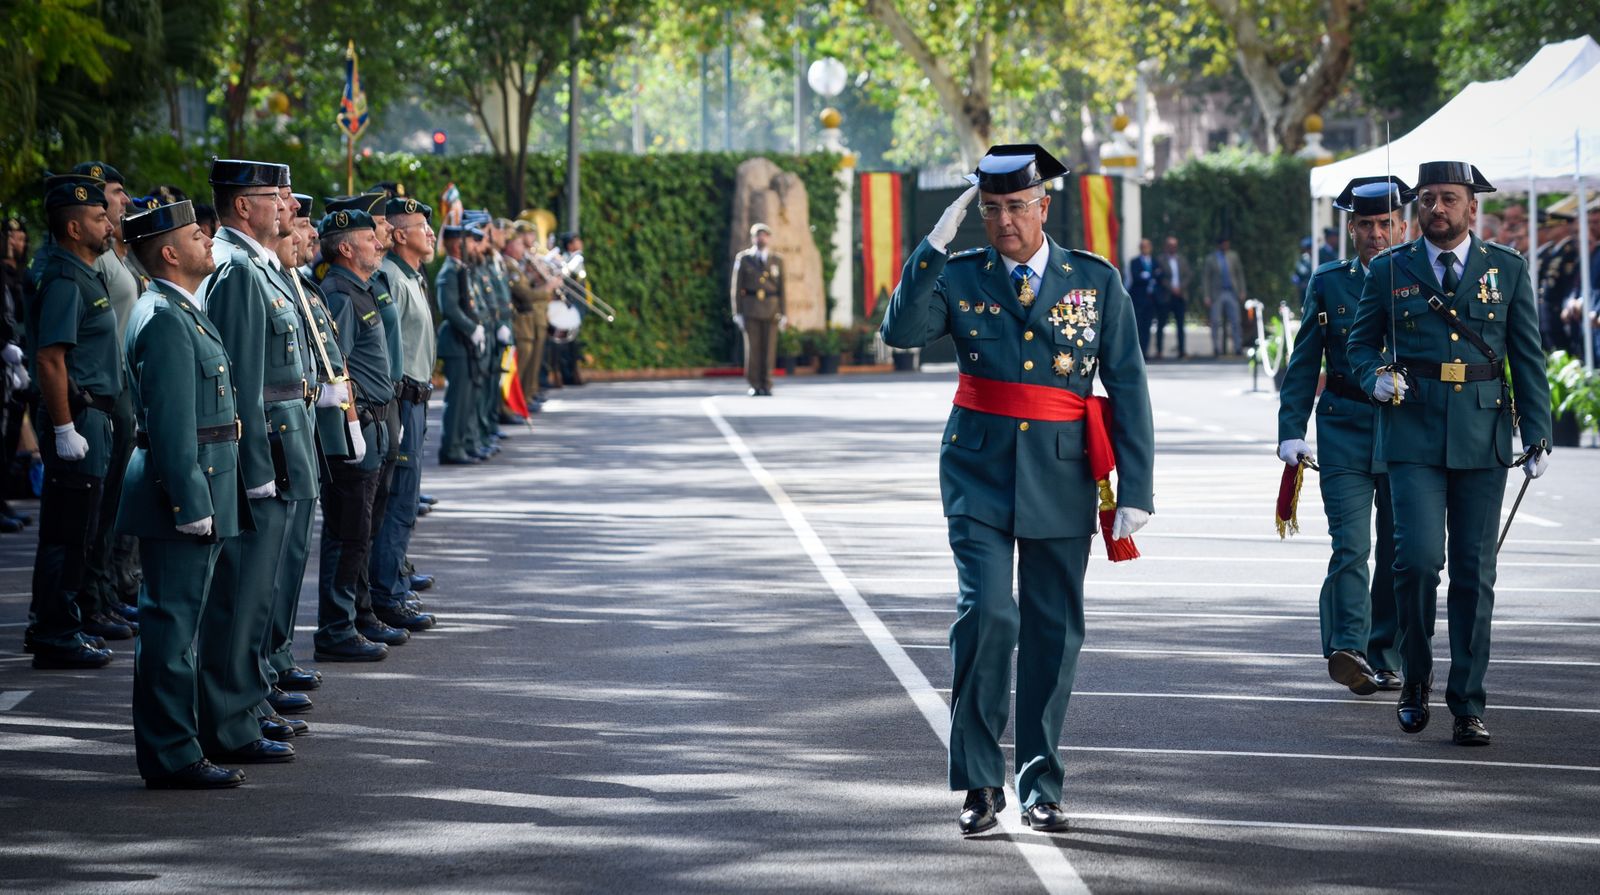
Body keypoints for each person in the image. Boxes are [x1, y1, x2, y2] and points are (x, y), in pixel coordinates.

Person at [881, 144, 1154, 835]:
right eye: (993, 209)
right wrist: (931, 248)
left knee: (1051, 632)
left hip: (1064, 473)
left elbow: (1127, 384)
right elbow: (901, 331)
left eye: (1017, 207)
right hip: (977, 468)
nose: (1005, 221)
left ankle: (1040, 783)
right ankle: (978, 779)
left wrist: (1137, 488)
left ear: (1043, 205)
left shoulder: (1094, 281)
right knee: (988, 615)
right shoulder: (962, 273)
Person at [1348, 161, 1552, 747]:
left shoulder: (1506, 270)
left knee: (1474, 574)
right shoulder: (1391, 268)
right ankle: (1415, 678)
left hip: (1482, 437)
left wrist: (1537, 433)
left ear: (1472, 208)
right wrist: (1373, 378)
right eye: (1429, 199)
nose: (1437, 208)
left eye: (1450, 199)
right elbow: (1360, 344)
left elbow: (1528, 358)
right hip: (1411, 434)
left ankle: (1467, 701)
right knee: (1413, 562)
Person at [118, 199, 251, 789]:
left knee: (182, 626)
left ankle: (182, 740)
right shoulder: (165, 318)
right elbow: (172, 427)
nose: (209, 240)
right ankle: (172, 754)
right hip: (184, 492)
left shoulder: (181, 309)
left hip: (204, 484)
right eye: (198, 235)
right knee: (170, 630)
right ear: (170, 253)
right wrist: (191, 501)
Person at [1278, 176, 1413, 697]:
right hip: (1343, 427)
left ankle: (1385, 653)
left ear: (1402, 226)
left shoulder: (1421, 277)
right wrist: (1292, 430)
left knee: (1400, 549)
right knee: (1351, 545)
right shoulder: (1329, 281)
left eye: (1385, 224)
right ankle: (1347, 648)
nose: (1376, 233)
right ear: (1350, 228)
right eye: (1365, 225)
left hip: (1405, 431)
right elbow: (1304, 358)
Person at [196, 158, 307, 765]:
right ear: (243, 205)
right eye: (275, 196)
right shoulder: (238, 271)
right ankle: (228, 722)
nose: (286, 205)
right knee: (240, 598)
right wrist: (255, 465)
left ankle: (246, 701)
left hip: (280, 445)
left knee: (258, 593)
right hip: (260, 450)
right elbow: (240, 381)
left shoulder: (256, 268)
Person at [24, 180, 120, 669]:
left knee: (81, 529)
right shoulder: (64, 278)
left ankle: (67, 621)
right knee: (65, 530)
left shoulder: (84, 273)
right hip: (77, 415)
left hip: (93, 416)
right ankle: (54, 629)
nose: (108, 223)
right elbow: (50, 359)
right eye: (98, 217)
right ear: (71, 226)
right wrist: (63, 428)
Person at [315, 208, 403, 661]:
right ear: (346, 248)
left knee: (365, 528)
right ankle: (335, 627)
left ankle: (360, 614)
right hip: (360, 424)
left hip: (378, 420)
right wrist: (350, 428)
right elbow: (336, 367)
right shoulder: (340, 293)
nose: (379, 243)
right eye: (370, 238)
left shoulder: (360, 288)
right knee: (348, 531)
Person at [370, 196, 439, 632]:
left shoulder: (411, 276)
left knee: (406, 498)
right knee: (396, 500)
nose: (430, 233)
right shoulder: (390, 277)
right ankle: (386, 594)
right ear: (398, 235)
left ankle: (393, 579)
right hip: (401, 399)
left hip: (418, 398)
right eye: (420, 226)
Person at [435, 224, 484, 465]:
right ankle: (452, 447)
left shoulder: (461, 270)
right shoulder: (449, 273)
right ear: (457, 245)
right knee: (457, 400)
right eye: (470, 242)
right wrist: (471, 328)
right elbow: (450, 309)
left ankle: (462, 443)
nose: (475, 246)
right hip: (455, 342)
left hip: (464, 343)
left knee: (467, 398)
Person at [0, 215, 33, 532]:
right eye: (10, 237)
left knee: (9, 436)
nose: (16, 243)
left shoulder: (21, 275)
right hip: (6, 355)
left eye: (21, 237)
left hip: (19, 357)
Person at [730, 223, 786, 395]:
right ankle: (754, 384)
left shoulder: (777, 260)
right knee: (753, 350)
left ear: (768, 238)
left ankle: (767, 384)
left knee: (769, 350)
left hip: (771, 309)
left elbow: (783, 289)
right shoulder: (744, 259)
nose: (761, 238)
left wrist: (784, 313)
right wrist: (737, 312)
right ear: (753, 238)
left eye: (764, 235)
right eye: (758, 235)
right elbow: (736, 288)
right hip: (751, 309)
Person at [1202, 235, 1246, 356]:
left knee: (1236, 321)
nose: (1226, 246)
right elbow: (1206, 278)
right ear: (1219, 245)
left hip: (1231, 292)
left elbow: (1239, 274)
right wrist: (1206, 295)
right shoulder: (1211, 259)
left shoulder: (1233, 256)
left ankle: (1238, 347)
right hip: (1217, 293)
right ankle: (1216, 347)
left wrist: (1242, 290)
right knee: (1215, 321)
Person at [1123, 237, 1161, 359]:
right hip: (1139, 299)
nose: (1145, 249)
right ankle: (1136, 353)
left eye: (1147, 246)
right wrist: (1149, 277)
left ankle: (1145, 352)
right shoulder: (1135, 262)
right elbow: (1136, 277)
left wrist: (1149, 276)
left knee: (1147, 326)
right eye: (1143, 247)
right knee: (1138, 326)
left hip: (1151, 299)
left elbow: (1159, 275)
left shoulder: (1154, 262)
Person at [1154, 235, 1189, 359]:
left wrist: (1180, 288)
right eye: (1170, 246)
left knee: (1180, 325)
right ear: (1166, 247)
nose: (1172, 248)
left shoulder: (1182, 260)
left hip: (1180, 296)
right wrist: (1171, 288)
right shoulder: (1160, 260)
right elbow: (1160, 277)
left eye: (1174, 246)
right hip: (1166, 296)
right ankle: (1159, 351)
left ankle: (1182, 350)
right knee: (1161, 324)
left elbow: (1187, 275)